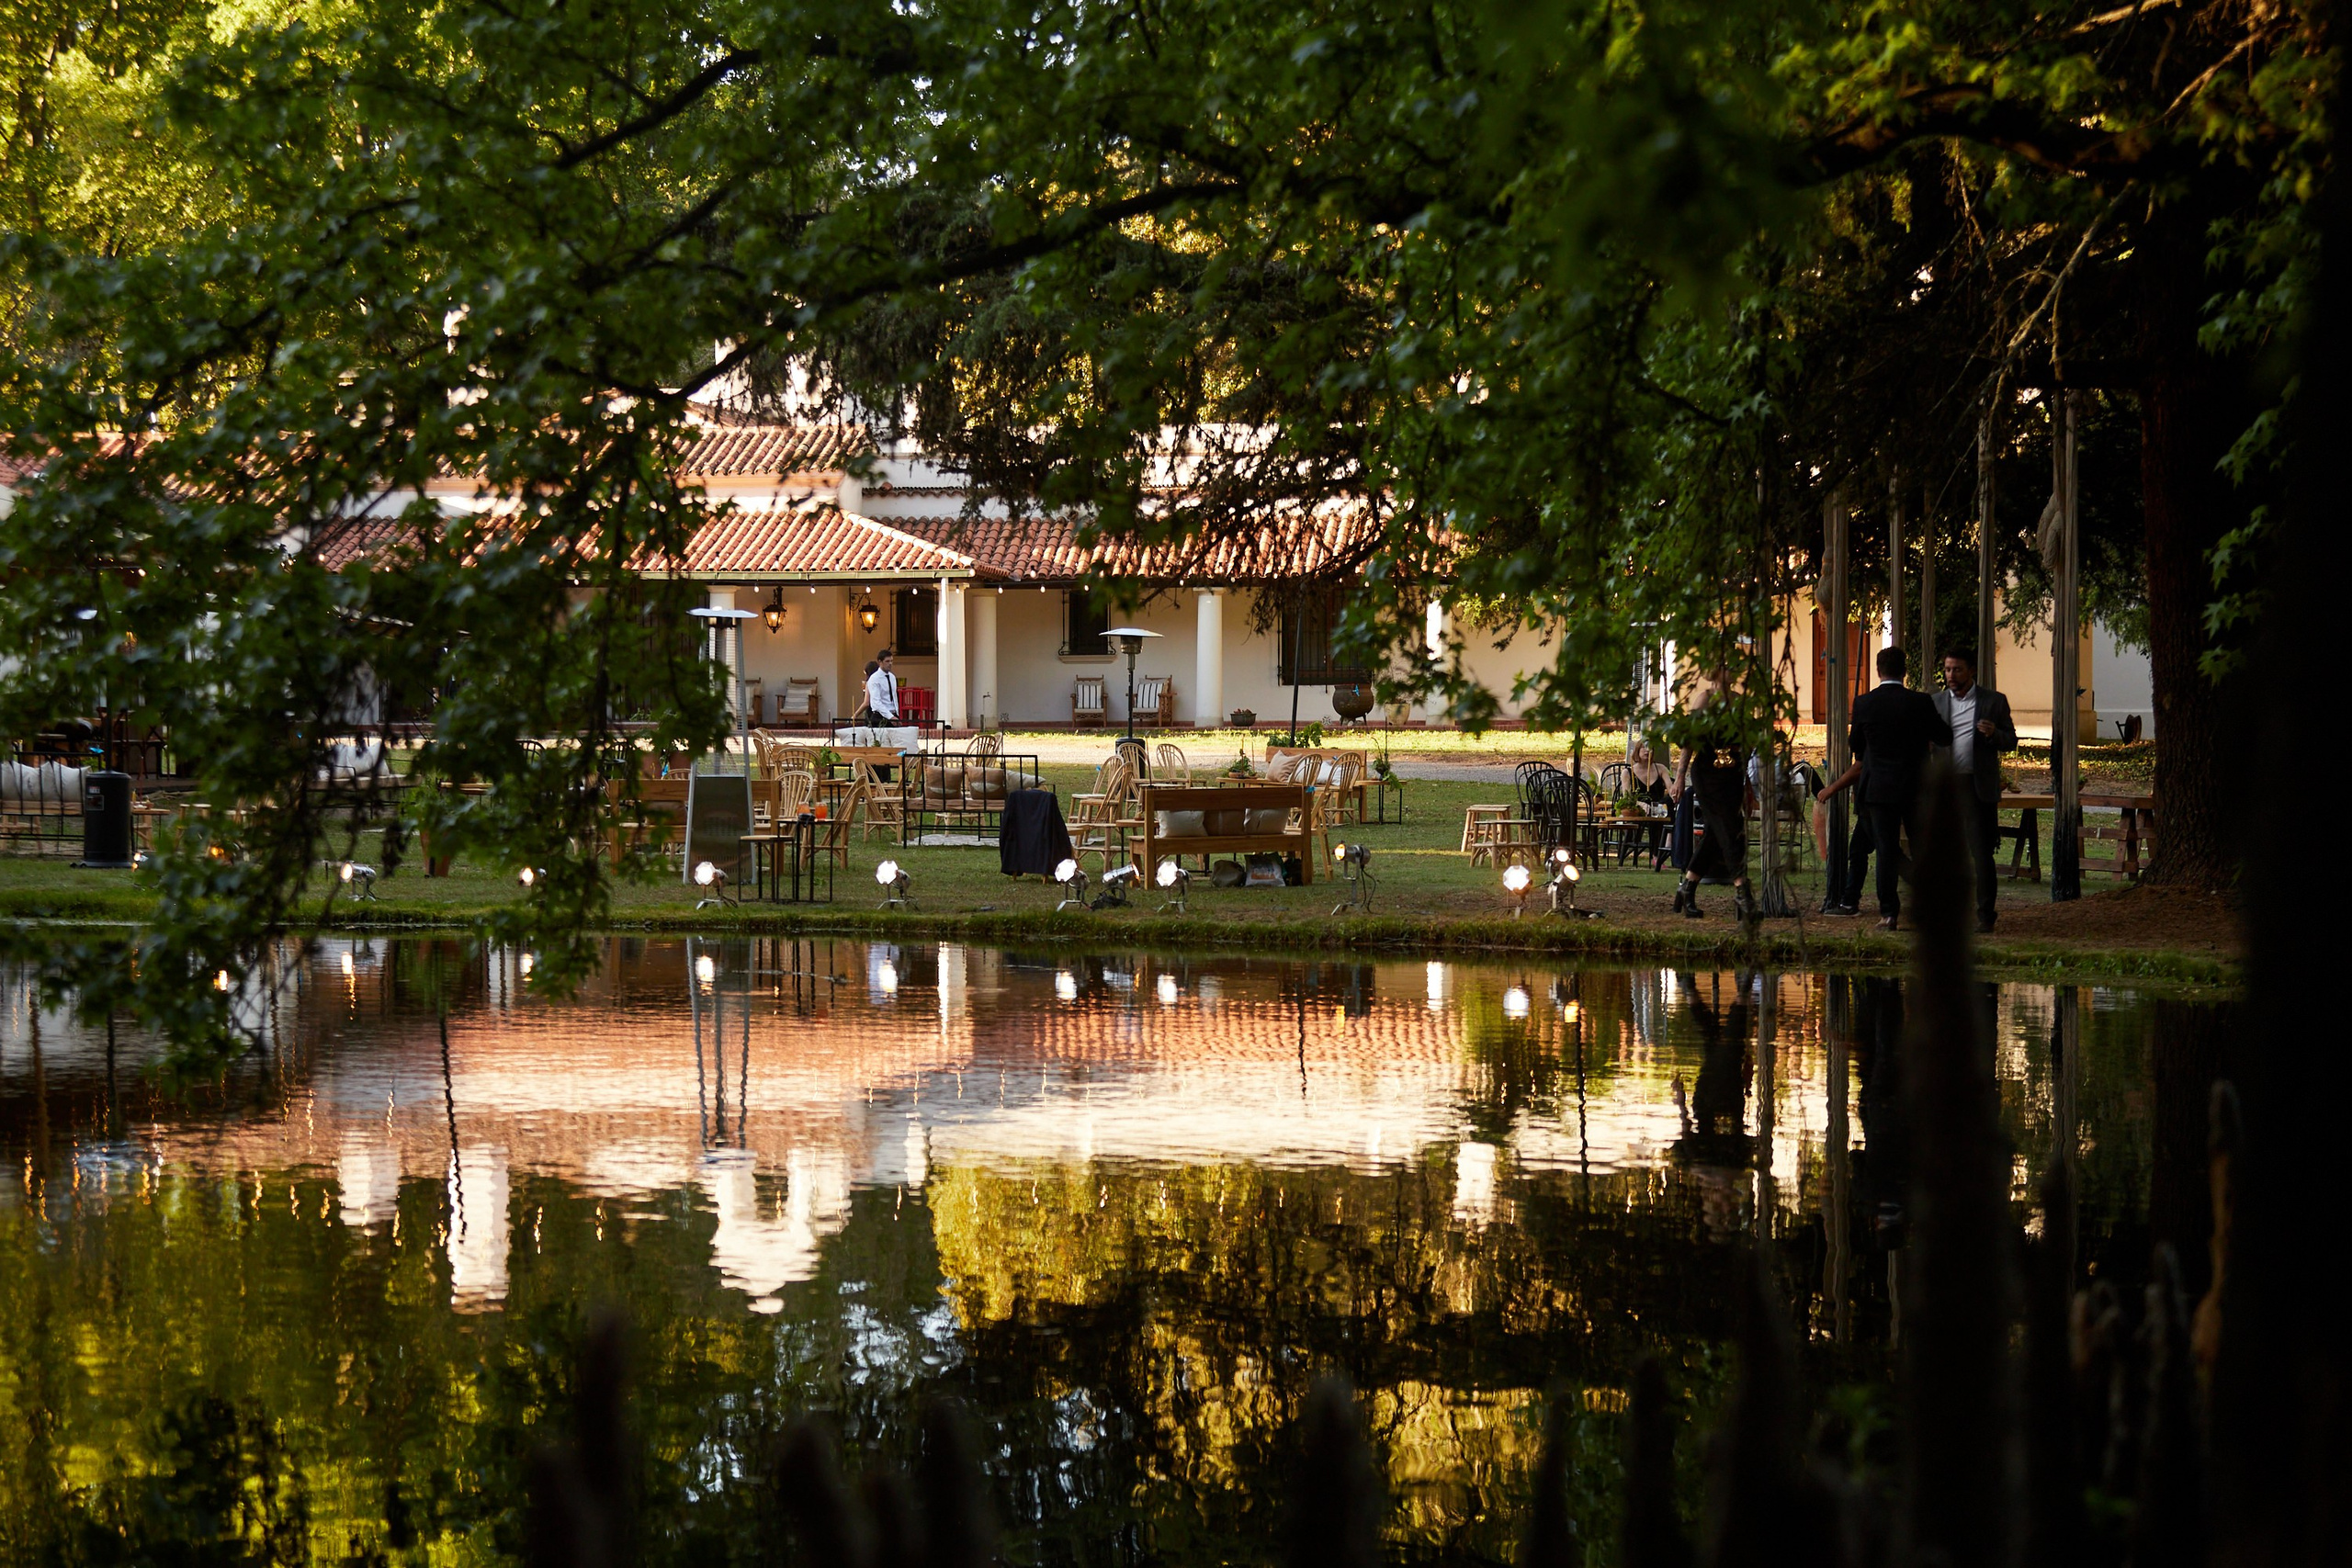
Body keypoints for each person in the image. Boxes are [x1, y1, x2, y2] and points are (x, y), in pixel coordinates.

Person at [1847, 645, 1942, 930]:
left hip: (1879, 788)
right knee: (1920, 847)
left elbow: (1856, 747)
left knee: (1886, 852)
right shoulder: (1921, 702)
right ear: (1905, 670)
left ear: (1878, 671)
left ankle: (1888, 913)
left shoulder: (1864, 703)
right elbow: (1943, 735)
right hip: (1914, 786)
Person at [1933, 649, 2018, 932]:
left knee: (1981, 853)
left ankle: (1985, 915)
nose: (1951, 676)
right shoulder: (1937, 703)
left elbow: (2011, 741)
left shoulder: (1993, 701)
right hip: (1948, 786)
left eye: (1957, 670)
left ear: (1971, 671)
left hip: (1978, 787)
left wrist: (1995, 733)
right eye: (1947, 670)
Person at [1671, 673, 1757, 921]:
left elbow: (1749, 743)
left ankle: (1687, 889)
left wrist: (1748, 782)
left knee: (1716, 834)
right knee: (1731, 829)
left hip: (1732, 773)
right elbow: (1689, 743)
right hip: (1707, 772)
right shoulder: (1704, 700)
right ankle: (1742, 891)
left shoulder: (1740, 701)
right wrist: (1679, 777)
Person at [865, 649, 900, 726]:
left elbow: (894, 698)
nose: (890, 663)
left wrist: (896, 714)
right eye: (887, 661)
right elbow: (876, 702)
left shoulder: (892, 677)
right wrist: (890, 717)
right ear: (880, 662)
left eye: (891, 661)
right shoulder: (874, 679)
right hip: (880, 716)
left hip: (893, 714)